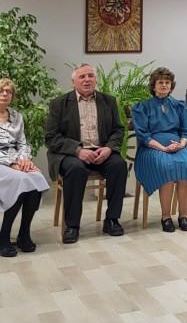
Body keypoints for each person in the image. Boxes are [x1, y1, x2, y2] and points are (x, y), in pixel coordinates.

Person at [45, 63, 128, 244]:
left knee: (119, 165)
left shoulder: (108, 101)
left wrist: (109, 148)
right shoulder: (59, 104)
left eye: (90, 76)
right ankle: (72, 225)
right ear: (73, 81)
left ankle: (112, 220)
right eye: (82, 77)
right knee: (76, 169)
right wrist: (77, 150)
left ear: (95, 79)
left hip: (101, 150)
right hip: (71, 154)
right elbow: (51, 138)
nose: (87, 80)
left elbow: (118, 130)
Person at [132, 67, 187, 233]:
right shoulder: (142, 107)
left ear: (171, 86)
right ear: (153, 86)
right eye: (160, 82)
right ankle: (166, 217)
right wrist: (163, 148)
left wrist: (182, 144)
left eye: (167, 82)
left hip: (177, 145)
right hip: (152, 148)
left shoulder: (179, 106)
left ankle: (183, 216)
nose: (164, 85)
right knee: (166, 168)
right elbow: (143, 135)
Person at [0, 78, 48, 257]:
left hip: (16, 161)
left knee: (37, 178)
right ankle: (4, 236)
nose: (5, 94)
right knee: (21, 181)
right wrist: (12, 163)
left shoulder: (16, 116)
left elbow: (22, 143)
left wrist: (25, 160)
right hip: (2, 162)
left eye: (9, 91)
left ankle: (24, 233)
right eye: (1, 90)